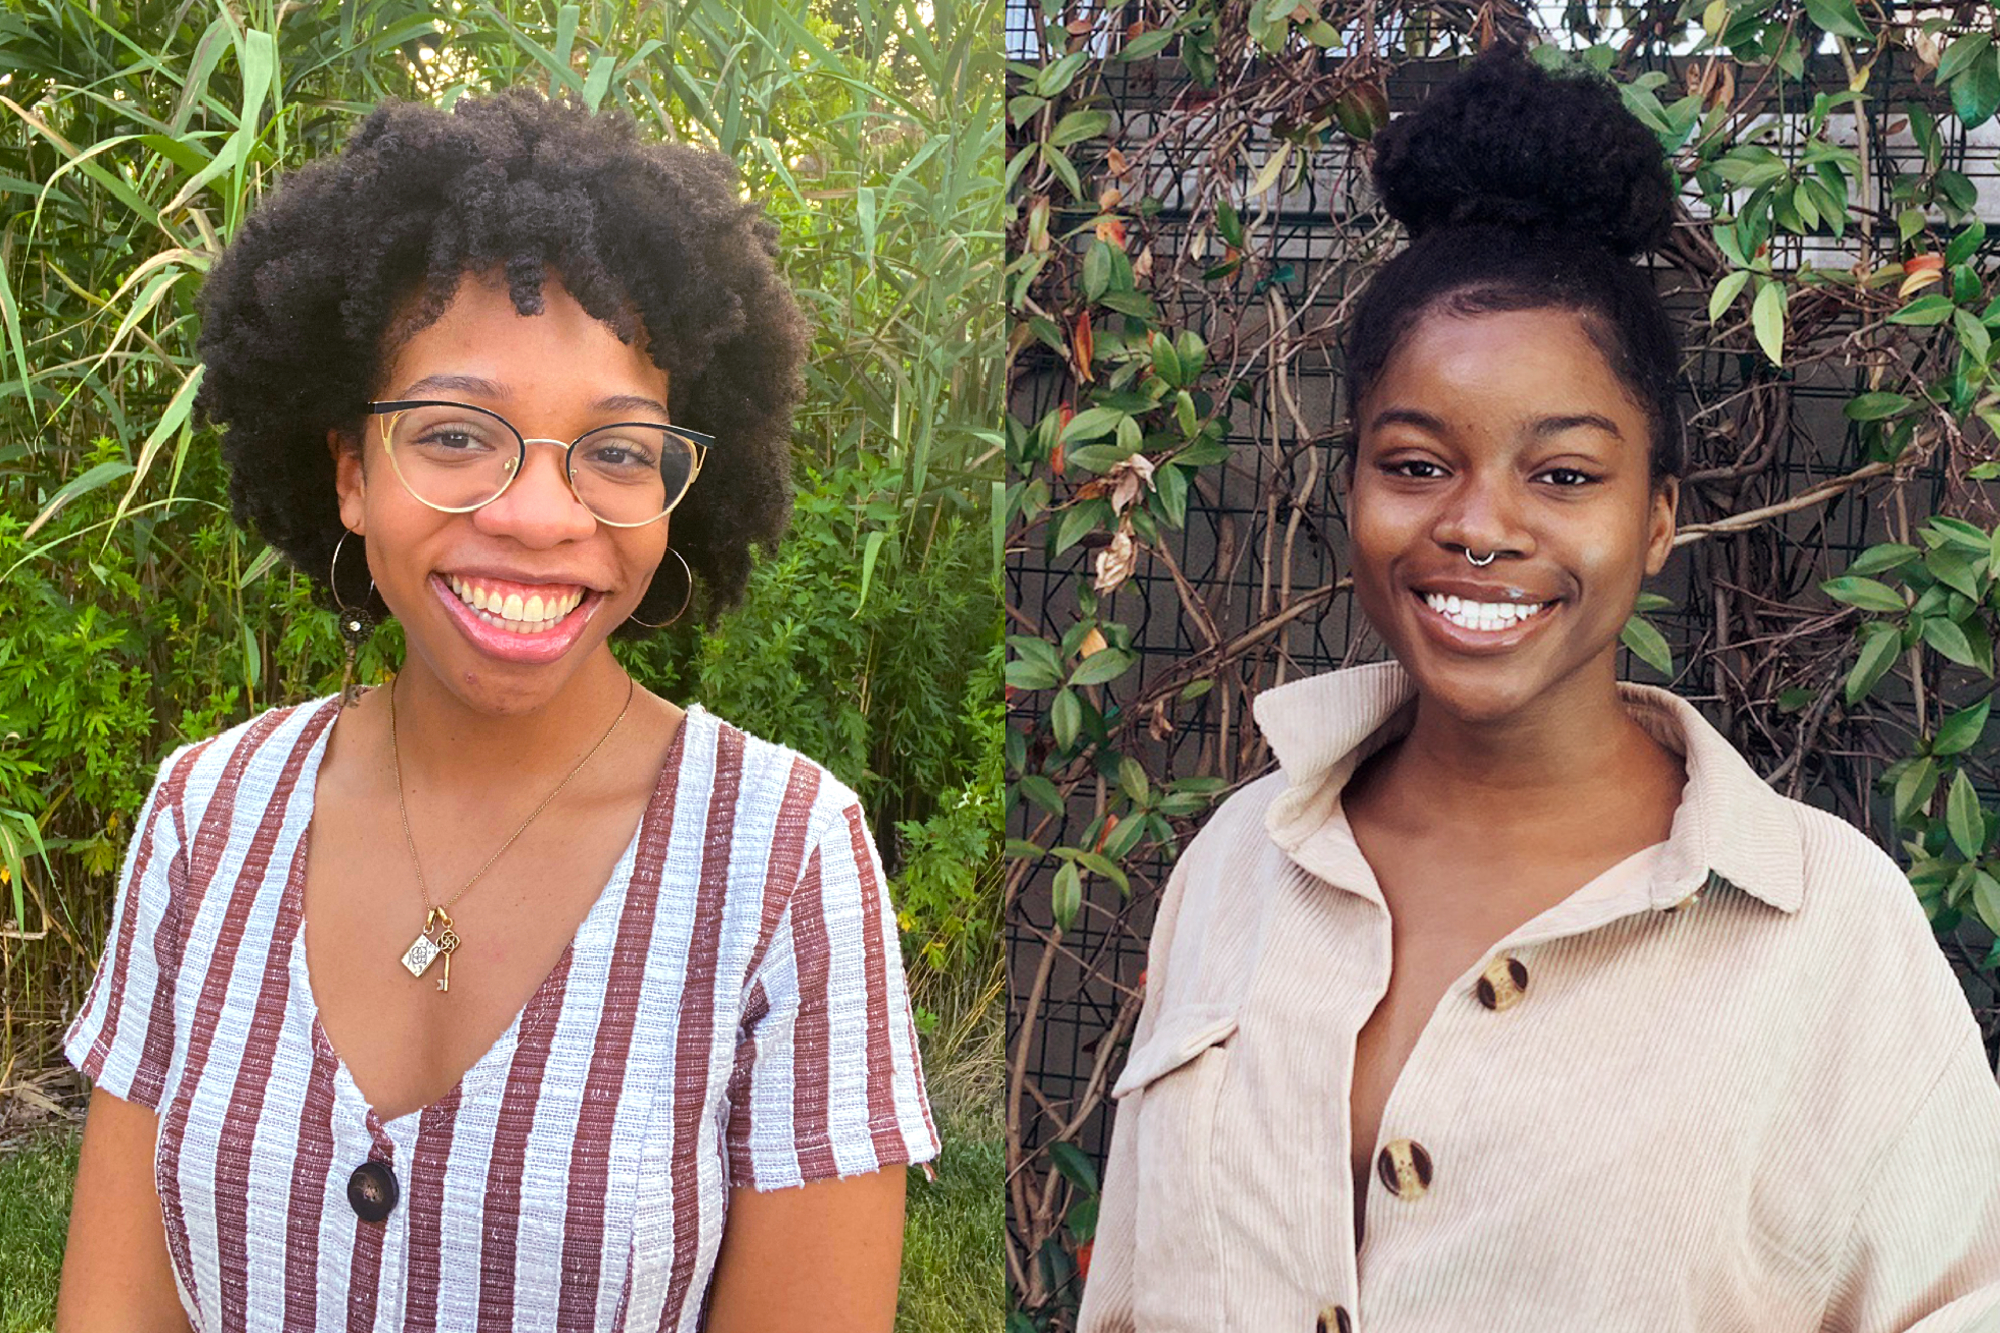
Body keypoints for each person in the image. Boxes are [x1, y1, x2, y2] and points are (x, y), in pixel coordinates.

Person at [1077, 50, 2000, 1333]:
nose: (1477, 525)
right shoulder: (1236, 866)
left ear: (1659, 516)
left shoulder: (1825, 934)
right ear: (1350, 488)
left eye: (1562, 475)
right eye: (1414, 463)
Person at [56, 90, 937, 1333]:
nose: (539, 515)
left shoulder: (782, 860)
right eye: (460, 434)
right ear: (351, 471)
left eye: (618, 451)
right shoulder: (207, 818)